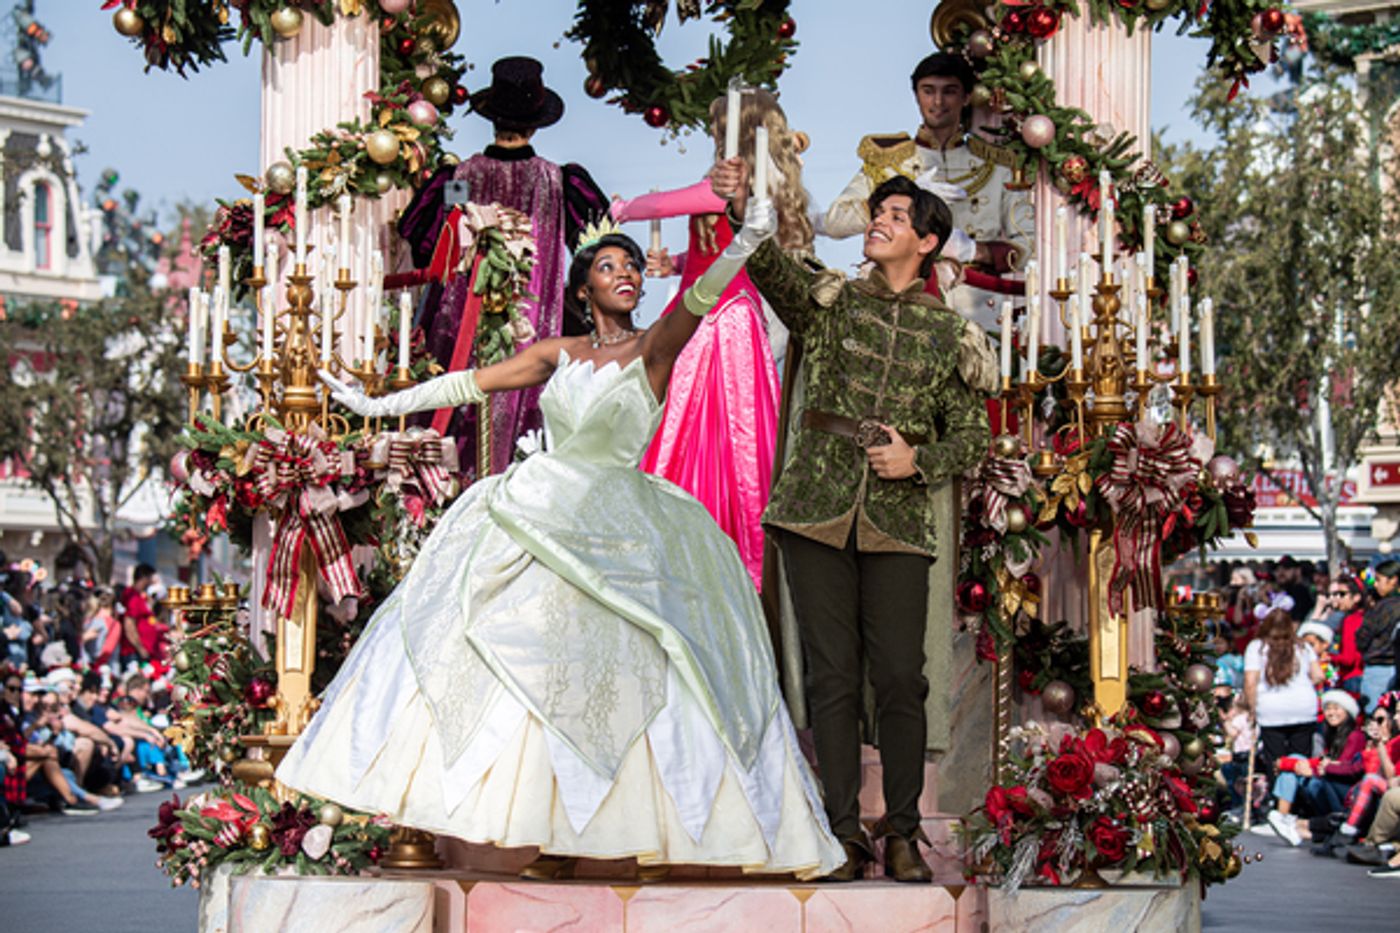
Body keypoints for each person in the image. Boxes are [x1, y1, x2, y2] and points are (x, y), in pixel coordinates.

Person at [280, 202, 844, 880]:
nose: (626, 273)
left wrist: (744, 243)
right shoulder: (558, 353)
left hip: (624, 527)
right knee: (538, 669)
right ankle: (551, 834)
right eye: (609, 266)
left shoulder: (654, 348)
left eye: (632, 265)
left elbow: (696, 302)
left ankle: (650, 834)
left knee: (634, 671)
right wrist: (377, 405)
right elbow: (471, 385)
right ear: (583, 288)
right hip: (541, 514)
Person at [715, 159, 997, 881]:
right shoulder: (830, 300)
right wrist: (743, 203)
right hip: (815, 507)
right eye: (879, 212)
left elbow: (974, 436)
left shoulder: (947, 333)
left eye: (898, 216)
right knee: (833, 678)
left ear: (927, 242)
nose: (879, 221)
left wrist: (919, 459)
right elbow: (767, 263)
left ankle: (902, 830)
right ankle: (841, 832)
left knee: (901, 677)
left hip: (898, 520)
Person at [610, 89, 808, 589]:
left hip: (717, 315)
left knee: (701, 421)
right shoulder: (750, 183)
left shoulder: (735, 181)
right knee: (723, 427)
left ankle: (698, 534)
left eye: (718, 127)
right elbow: (721, 245)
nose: (714, 135)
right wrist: (677, 262)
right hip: (720, 305)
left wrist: (624, 207)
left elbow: (670, 202)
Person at [402, 56, 608, 477]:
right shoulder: (559, 182)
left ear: (492, 118)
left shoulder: (458, 178)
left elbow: (425, 243)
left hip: (457, 329)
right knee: (525, 417)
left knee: (453, 408)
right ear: (536, 124)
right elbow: (597, 247)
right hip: (531, 331)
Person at [820, 52, 1032, 331]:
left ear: (966, 97)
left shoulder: (997, 166)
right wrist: (897, 198)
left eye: (949, 91)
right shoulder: (888, 162)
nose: (938, 102)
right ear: (916, 95)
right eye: (928, 91)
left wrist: (974, 251)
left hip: (977, 309)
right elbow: (835, 221)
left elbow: (1027, 246)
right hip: (901, 306)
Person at [1251, 690, 1359, 847]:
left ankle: (1284, 818)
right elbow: (1323, 761)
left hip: (1340, 791)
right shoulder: (1331, 735)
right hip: (1326, 780)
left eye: (1336, 708)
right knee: (1294, 762)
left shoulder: (1355, 736)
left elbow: (1342, 766)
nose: (1331, 713)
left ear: (1348, 712)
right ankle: (1282, 818)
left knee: (1297, 766)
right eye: (1328, 709)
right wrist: (1291, 764)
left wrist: (1304, 768)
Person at [1244, 609, 1323, 783]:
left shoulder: (1256, 647)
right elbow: (1319, 675)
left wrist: (1252, 708)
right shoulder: (1303, 646)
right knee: (1301, 760)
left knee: (1276, 760)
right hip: (1303, 708)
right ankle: (1299, 795)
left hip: (1271, 709)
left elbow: (1250, 682)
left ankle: (1278, 794)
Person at [1356, 560, 1400, 710]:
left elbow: (1363, 637)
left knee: (1375, 714)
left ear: (1393, 580)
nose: (1375, 585)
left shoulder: (1384, 607)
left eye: (1378, 580)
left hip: (1379, 668)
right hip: (1392, 666)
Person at [1329, 575, 1368, 696]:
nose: (1337, 598)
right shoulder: (1366, 616)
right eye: (1336, 594)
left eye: (1342, 594)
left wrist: (1329, 657)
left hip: (1352, 678)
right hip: (1363, 676)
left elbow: (1348, 659)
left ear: (1356, 597)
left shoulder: (1351, 621)